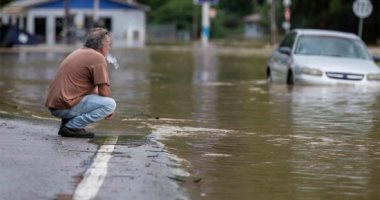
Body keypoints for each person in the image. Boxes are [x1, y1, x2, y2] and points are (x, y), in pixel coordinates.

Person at [45, 27, 116, 138]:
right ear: (102, 46)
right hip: (63, 106)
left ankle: (66, 126)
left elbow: (95, 90)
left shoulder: (79, 52)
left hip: (55, 105)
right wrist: (110, 110)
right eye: (109, 45)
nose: (109, 48)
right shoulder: (97, 58)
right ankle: (72, 127)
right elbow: (104, 91)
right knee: (110, 104)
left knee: (90, 95)